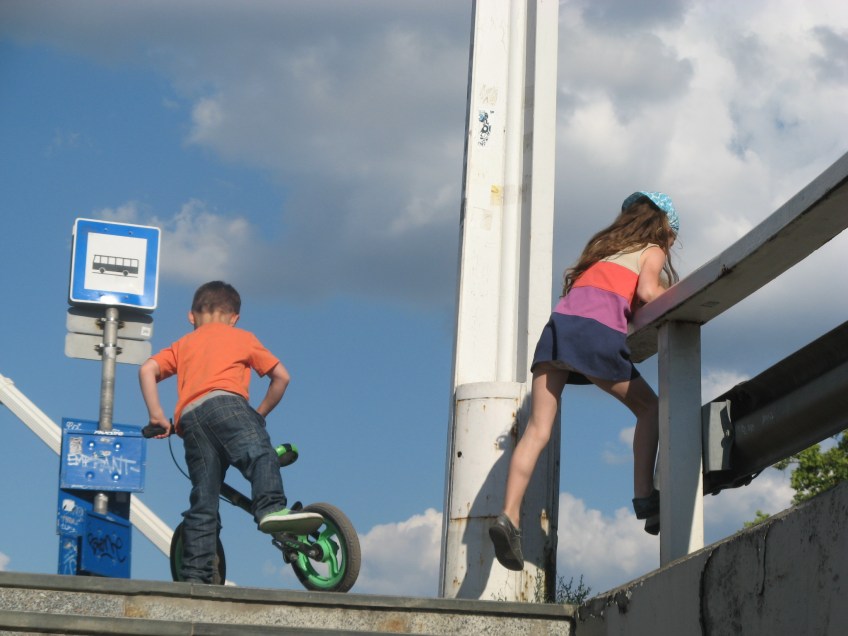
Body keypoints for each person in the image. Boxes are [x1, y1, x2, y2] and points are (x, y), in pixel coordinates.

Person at [488, 192, 680, 571]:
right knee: (651, 408)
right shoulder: (651, 249)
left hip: (558, 330)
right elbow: (647, 292)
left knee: (537, 430)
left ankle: (508, 516)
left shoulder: (603, 252)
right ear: (663, 228)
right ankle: (645, 496)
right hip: (593, 334)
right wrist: (675, 294)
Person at [139, 280, 323, 583]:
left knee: (204, 501)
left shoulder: (182, 344)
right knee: (260, 453)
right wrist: (258, 415)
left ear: (191, 316)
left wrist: (157, 416)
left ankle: (195, 577)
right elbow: (282, 377)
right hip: (228, 406)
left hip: (191, 422)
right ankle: (270, 507)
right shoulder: (242, 337)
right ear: (234, 317)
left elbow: (147, 369)